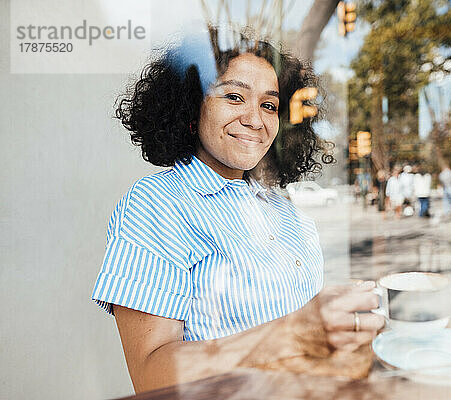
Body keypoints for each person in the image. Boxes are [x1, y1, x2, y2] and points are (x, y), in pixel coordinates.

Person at [91, 29, 383, 393]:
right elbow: (151, 375)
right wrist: (292, 334)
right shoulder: (157, 205)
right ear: (191, 106)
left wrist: (340, 329)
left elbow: (307, 338)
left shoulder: (287, 212)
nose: (255, 120)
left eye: (269, 105)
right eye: (233, 96)